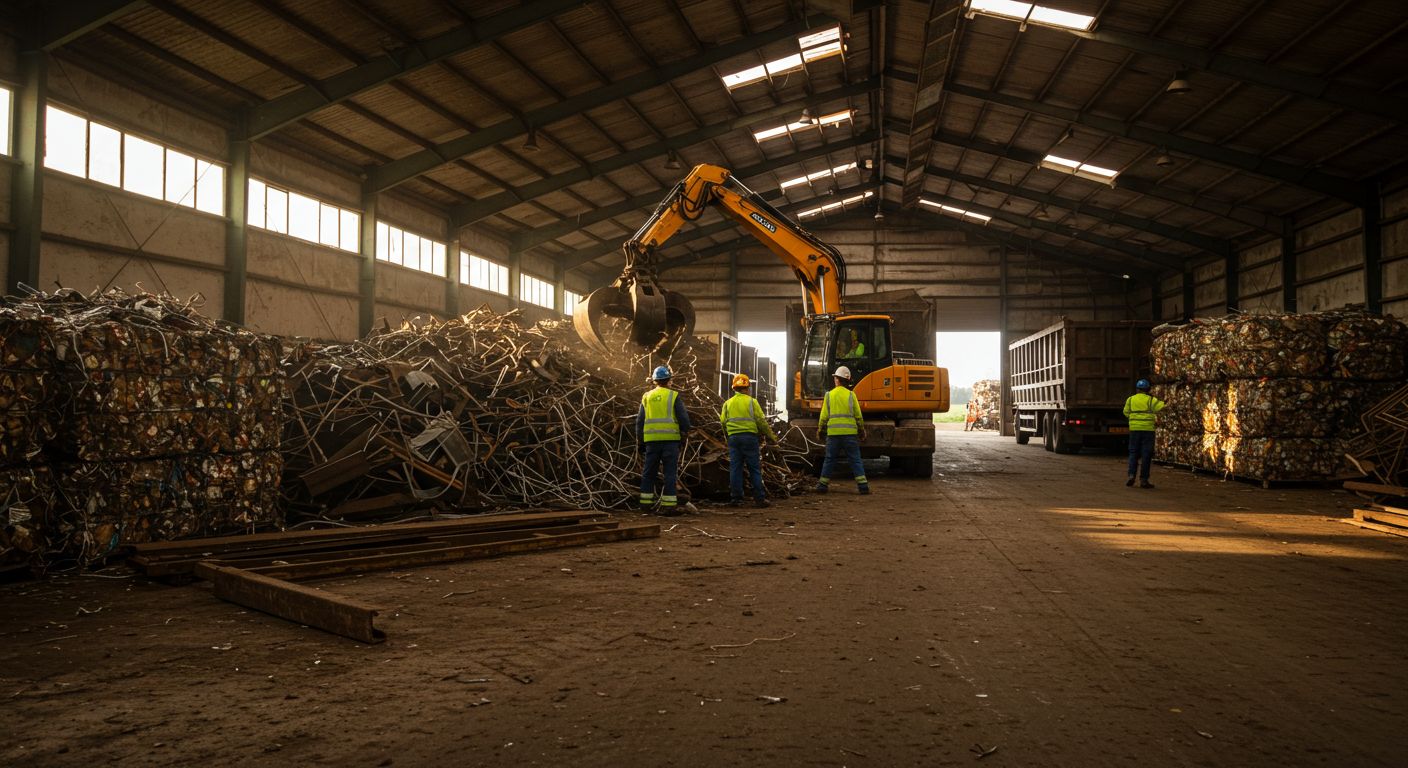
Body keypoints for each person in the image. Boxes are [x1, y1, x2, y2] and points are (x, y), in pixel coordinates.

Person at [637, 365, 692, 515]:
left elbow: (640, 421)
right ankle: (669, 506)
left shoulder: (646, 396)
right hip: (670, 441)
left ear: (655, 381)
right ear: (668, 380)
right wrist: (685, 431)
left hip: (651, 441)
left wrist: (641, 441)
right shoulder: (673, 396)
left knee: (649, 472)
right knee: (669, 473)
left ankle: (645, 504)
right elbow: (683, 419)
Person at [720, 373, 778, 508]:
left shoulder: (727, 403)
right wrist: (771, 437)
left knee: (735, 468)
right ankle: (759, 499)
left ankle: (736, 499)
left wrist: (728, 435)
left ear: (734, 388)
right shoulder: (752, 402)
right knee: (754, 468)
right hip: (749, 438)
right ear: (747, 388)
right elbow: (761, 422)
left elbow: (722, 422)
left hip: (734, 438)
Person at [815, 366, 869, 495]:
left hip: (833, 435)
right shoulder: (851, 395)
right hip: (850, 435)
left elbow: (824, 416)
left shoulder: (829, 395)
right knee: (855, 459)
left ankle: (822, 486)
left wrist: (820, 429)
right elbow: (858, 416)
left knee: (829, 459)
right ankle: (863, 487)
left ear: (837, 380)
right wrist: (862, 430)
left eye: (835, 378)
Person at [1123, 378, 1165, 489]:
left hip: (1134, 430)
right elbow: (1161, 407)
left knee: (1133, 453)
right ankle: (1144, 480)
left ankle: (1131, 475)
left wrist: (1134, 419)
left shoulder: (1130, 400)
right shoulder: (1151, 400)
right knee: (1146, 454)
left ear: (1137, 389)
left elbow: (1126, 412)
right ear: (1148, 389)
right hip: (1148, 431)